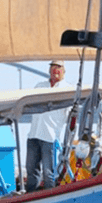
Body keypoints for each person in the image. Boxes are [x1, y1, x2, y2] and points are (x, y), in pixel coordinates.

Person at [26, 60, 68, 190]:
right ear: (49, 70)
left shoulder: (67, 89)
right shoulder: (40, 86)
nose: (56, 70)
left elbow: (70, 114)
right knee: (31, 169)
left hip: (50, 136)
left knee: (48, 172)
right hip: (34, 134)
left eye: (59, 68)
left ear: (63, 72)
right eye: (53, 67)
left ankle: (49, 196)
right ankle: (31, 196)